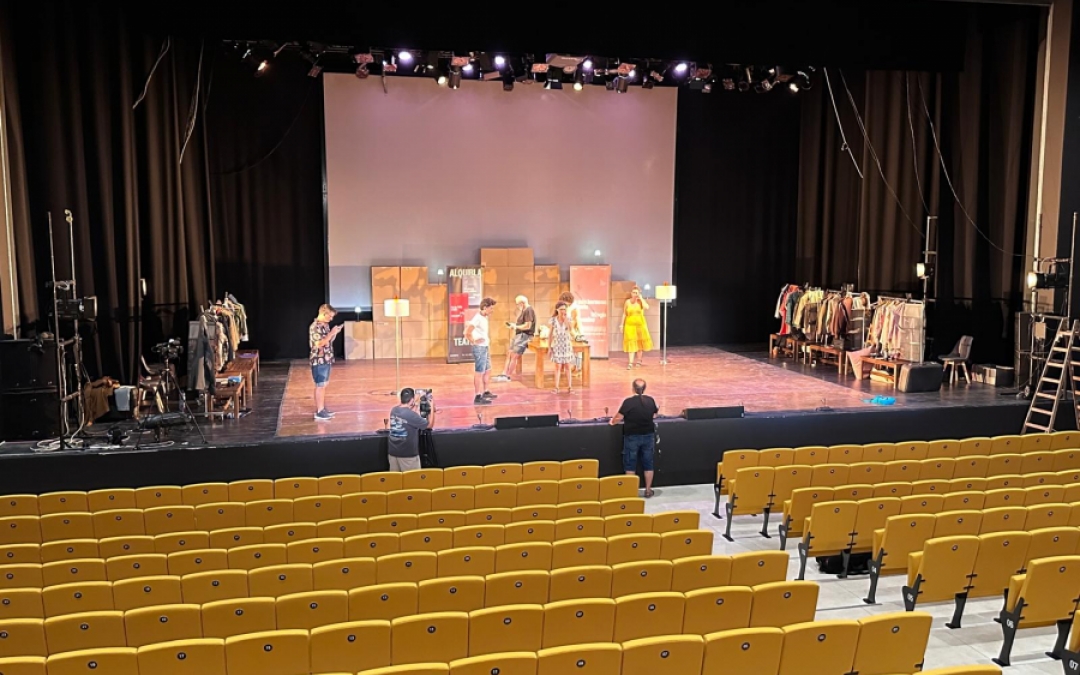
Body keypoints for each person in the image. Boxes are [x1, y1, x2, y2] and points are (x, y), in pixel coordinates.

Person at [610, 378, 659, 497]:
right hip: (648, 436)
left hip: (632, 437)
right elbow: (654, 415)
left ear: (633, 388)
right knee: (648, 464)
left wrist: (612, 421)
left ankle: (631, 492)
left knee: (630, 465)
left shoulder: (628, 402)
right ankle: (648, 490)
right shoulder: (650, 400)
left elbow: (617, 419)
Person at [388, 387, 437, 471]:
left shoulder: (394, 410)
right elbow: (429, 425)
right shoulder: (411, 415)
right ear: (411, 400)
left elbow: (406, 414)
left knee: (395, 478)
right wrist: (432, 407)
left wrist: (415, 403)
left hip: (393, 453)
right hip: (408, 456)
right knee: (413, 478)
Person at [309, 303, 342, 421]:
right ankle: (319, 411)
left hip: (326, 358)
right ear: (323, 313)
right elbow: (319, 344)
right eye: (330, 316)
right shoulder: (315, 327)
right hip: (319, 360)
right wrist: (331, 333)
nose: (331, 319)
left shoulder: (325, 325)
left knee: (324, 384)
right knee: (320, 385)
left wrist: (334, 334)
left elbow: (328, 341)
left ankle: (322, 408)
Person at [492, 295, 536, 383]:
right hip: (519, 335)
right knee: (509, 353)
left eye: (517, 304)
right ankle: (504, 373)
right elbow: (522, 324)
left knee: (514, 356)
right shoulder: (524, 310)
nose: (517, 306)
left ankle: (507, 376)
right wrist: (514, 326)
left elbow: (528, 326)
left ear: (522, 303)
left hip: (524, 336)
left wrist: (516, 326)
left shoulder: (529, 310)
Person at [465, 297, 497, 405]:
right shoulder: (477, 318)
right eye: (491, 308)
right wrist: (474, 341)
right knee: (479, 372)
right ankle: (477, 396)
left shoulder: (484, 317)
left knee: (488, 370)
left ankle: (486, 392)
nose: (492, 310)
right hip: (479, 348)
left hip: (485, 346)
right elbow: (467, 332)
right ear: (485, 307)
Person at [621, 286, 653, 369]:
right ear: (631, 293)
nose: (635, 294)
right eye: (633, 292)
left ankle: (639, 360)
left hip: (640, 325)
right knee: (631, 343)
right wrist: (621, 325)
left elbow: (647, 307)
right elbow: (624, 313)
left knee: (639, 344)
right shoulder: (627, 302)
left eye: (636, 293)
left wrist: (641, 298)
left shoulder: (640, 301)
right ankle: (630, 363)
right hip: (629, 325)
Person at [549, 301, 575, 394]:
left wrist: (566, 320)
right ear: (557, 310)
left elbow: (571, 330)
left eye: (564, 309)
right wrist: (549, 347)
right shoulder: (553, 320)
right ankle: (556, 387)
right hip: (557, 345)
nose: (563, 311)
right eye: (561, 309)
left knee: (568, 366)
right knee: (557, 367)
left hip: (566, 345)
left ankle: (570, 387)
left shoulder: (568, 318)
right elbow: (550, 334)